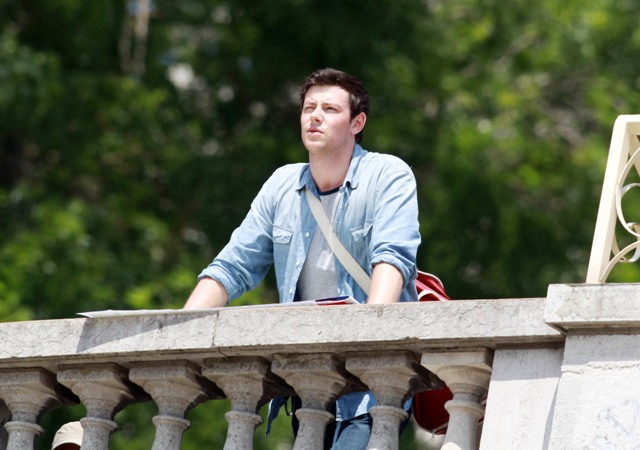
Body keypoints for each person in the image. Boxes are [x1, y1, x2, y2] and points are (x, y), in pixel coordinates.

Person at [184, 67, 420, 449]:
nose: (315, 116)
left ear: (357, 122)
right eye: (309, 108)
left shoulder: (388, 175)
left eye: (330, 109)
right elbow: (232, 266)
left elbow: (392, 257)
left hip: (374, 385)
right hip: (307, 383)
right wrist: (180, 331)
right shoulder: (282, 185)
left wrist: (371, 338)